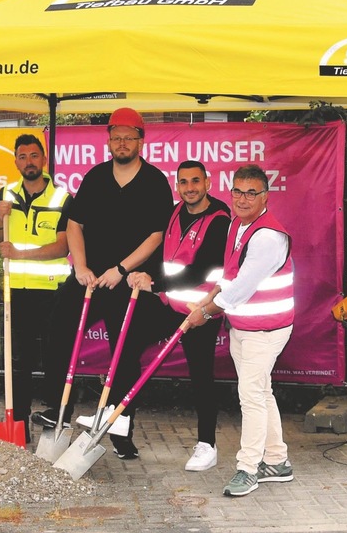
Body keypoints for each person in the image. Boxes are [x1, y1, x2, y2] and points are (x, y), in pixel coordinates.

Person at [30, 107, 172, 460]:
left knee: (124, 355)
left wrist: (121, 270)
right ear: (108, 141)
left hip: (129, 280)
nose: (122, 143)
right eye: (116, 137)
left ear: (141, 140)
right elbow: (75, 225)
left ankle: (118, 429)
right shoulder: (95, 177)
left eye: (129, 137)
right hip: (91, 278)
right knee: (57, 325)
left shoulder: (155, 181)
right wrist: (80, 267)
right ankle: (58, 407)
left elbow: (157, 235)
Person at [185, 164, 295, 498]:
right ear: (230, 191)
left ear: (265, 196)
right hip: (244, 326)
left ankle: (248, 469)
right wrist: (205, 299)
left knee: (250, 397)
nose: (243, 199)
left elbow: (239, 290)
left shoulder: (267, 237)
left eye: (252, 193)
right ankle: (277, 461)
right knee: (261, 392)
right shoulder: (237, 225)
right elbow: (229, 275)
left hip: (266, 329)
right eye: (237, 191)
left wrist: (203, 312)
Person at [123, 160, 230, 471]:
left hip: (200, 311)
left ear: (208, 183)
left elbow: (201, 270)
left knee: (201, 378)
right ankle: (119, 414)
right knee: (128, 343)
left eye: (195, 181)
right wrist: (145, 274)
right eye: (183, 182)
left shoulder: (220, 219)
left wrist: (154, 283)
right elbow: (164, 257)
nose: (189, 188)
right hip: (169, 304)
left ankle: (206, 445)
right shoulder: (173, 212)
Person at [0, 134, 72, 444]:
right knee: (18, 360)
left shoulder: (62, 198)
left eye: (34, 156)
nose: (28, 162)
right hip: (16, 292)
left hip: (52, 291)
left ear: (44, 159)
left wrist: (20, 254)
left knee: (54, 358)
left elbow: (63, 246)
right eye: (22, 157)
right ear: (15, 161)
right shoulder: (6, 193)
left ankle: (54, 418)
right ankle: (18, 424)